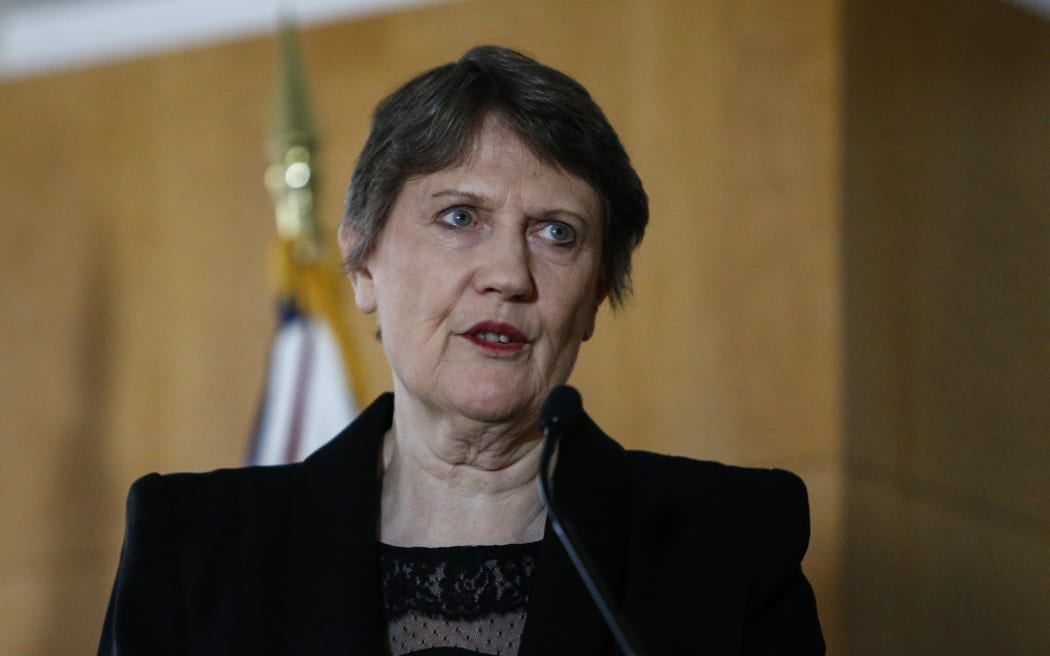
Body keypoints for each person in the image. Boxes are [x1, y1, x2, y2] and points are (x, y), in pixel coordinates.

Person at [98, 45, 824, 655]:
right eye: (459, 217)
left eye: (557, 233)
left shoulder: (730, 541)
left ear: (597, 294)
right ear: (363, 264)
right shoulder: (195, 549)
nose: (509, 274)